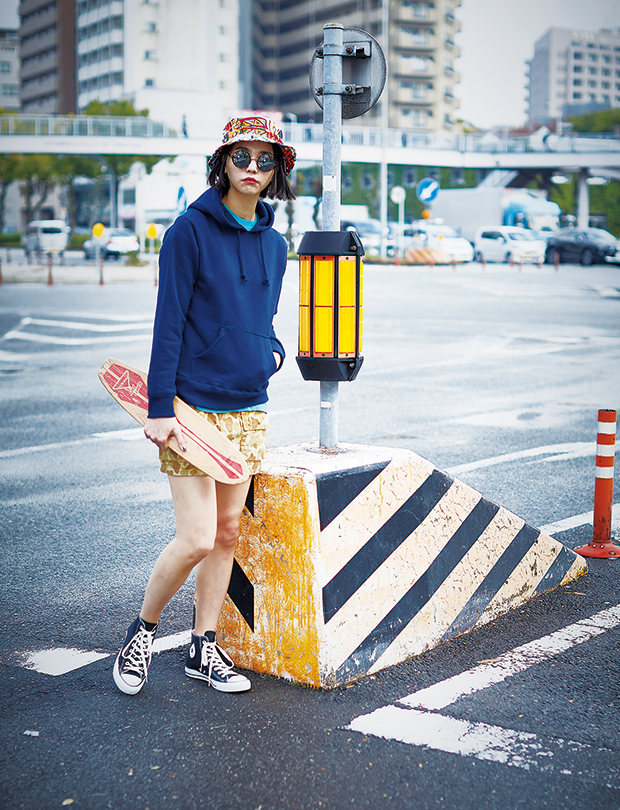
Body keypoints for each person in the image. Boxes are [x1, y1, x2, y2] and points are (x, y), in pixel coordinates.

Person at [113, 116, 296, 696]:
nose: (252, 167)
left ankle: (204, 646)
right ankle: (142, 631)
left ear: (277, 170)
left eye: (264, 159)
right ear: (222, 163)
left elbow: (264, 317)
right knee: (195, 536)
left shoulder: (275, 245)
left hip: (249, 407)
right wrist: (159, 407)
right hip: (191, 410)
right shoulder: (187, 232)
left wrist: (271, 353)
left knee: (226, 533)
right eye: (241, 156)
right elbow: (168, 323)